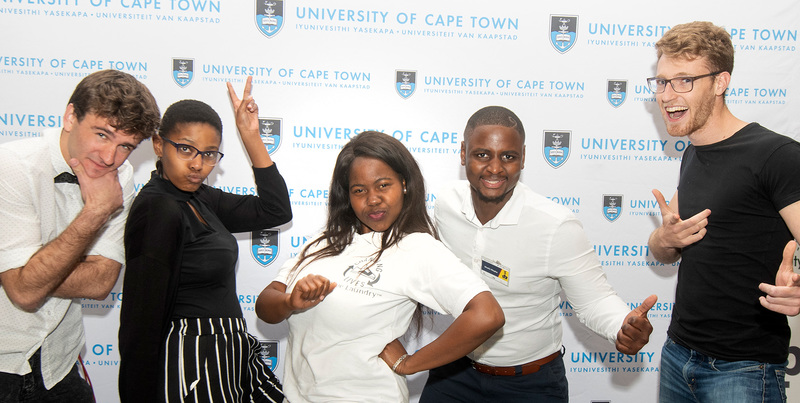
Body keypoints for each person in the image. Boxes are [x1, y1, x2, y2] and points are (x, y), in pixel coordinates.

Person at [420, 106, 657, 402]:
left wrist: (622, 326)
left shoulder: (555, 225)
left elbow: (595, 299)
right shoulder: (446, 204)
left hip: (529, 385)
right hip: (454, 373)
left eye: (508, 156)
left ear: (523, 157)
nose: (495, 168)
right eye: (482, 155)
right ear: (463, 153)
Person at [255, 130, 505, 402]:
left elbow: (486, 315)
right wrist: (291, 301)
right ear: (347, 196)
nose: (373, 199)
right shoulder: (323, 243)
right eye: (359, 190)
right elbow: (265, 307)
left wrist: (409, 364)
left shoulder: (417, 248)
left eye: (383, 185)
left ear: (404, 184)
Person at [646, 21, 800, 402]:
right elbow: (665, 249)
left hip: (744, 370)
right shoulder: (693, 152)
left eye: (684, 81)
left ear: (720, 82)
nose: (667, 95)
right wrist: (664, 238)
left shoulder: (776, 155)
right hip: (678, 353)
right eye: (662, 81)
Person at [118, 77, 290, 402]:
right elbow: (141, 321)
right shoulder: (158, 208)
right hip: (192, 362)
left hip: (227, 353)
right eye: (185, 149)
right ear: (158, 144)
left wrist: (250, 136)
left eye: (210, 154)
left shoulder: (201, 198)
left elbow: (275, 210)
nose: (198, 164)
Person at [0, 70, 160, 402]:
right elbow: (25, 292)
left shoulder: (121, 175)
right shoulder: (11, 167)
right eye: (102, 134)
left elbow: (101, 282)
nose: (109, 158)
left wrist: (29, 269)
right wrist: (95, 212)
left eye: (125, 146)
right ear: (71, 116)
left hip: (59, 362)